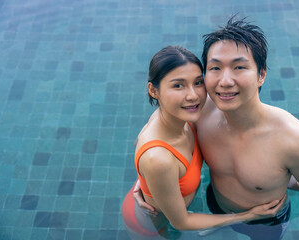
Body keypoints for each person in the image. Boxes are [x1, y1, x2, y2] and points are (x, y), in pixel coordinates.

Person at [134, 17, 299, 239]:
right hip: (214, 202)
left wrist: (275, 179)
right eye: (215, 67)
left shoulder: (296, 141)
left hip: (265, 220)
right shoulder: (199, 110)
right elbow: (163, 132)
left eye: (239, 67)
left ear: (261, 74)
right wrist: (149, 178)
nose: (225, 81)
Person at [121, 45, 286, 239]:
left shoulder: (180, 115)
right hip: (151, 225)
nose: (193, 96)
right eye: (178, 85)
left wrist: (147, 179)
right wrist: (246, 216)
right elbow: (180, 221)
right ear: (153, 90)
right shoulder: (159, 160)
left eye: (198, 82)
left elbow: (139, 142)